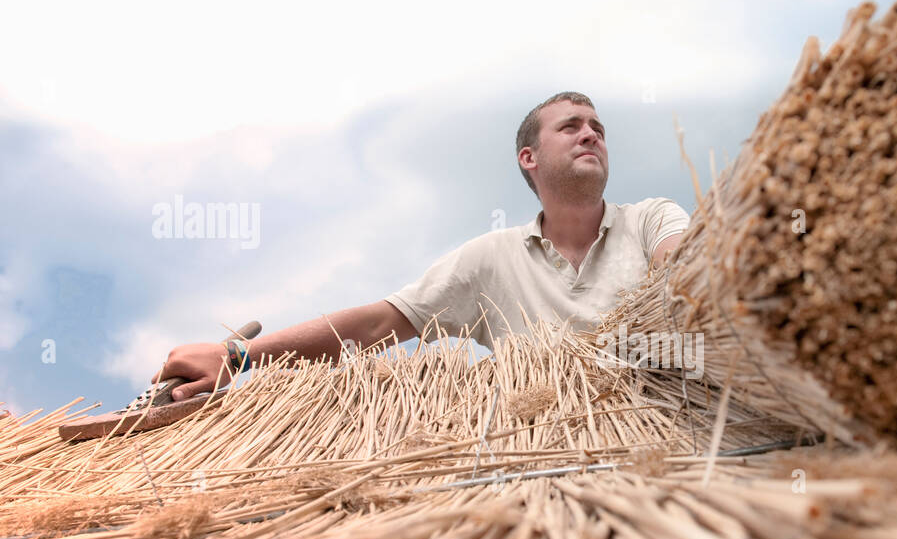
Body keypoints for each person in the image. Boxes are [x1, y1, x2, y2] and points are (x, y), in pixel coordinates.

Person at [154, 92, 690, 399]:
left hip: (669, 428)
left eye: (597, 126)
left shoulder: (651, 219)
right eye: (571, 126)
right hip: (543, 452)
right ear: (529, 157)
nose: (591, 134)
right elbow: (378, 323)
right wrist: (239, 355)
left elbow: (687, 275)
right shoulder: (490, 257)